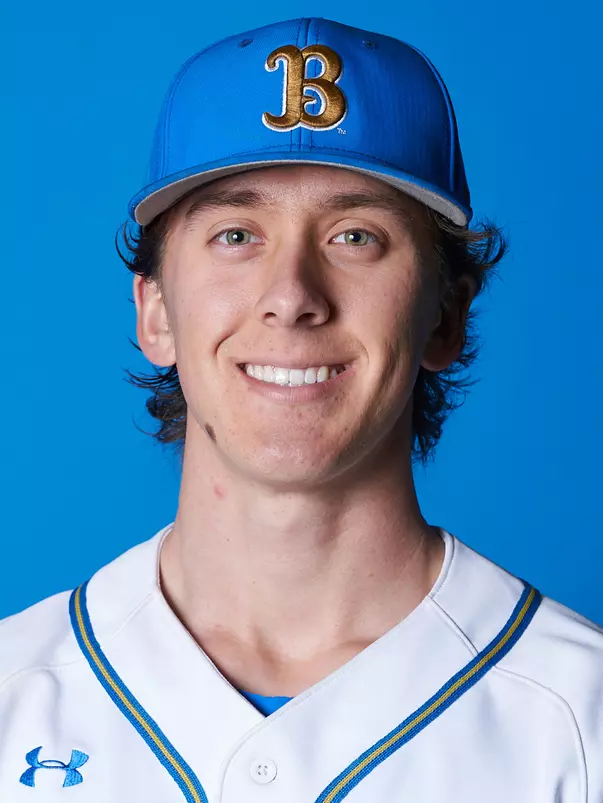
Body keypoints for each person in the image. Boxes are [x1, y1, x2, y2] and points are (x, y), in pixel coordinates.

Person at [0, 17, 601, 802]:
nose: (291, 297)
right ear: (154, 313)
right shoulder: (16, 692)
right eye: (236, 234)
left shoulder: (579, 720)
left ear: (445, 315)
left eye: (355, 236)